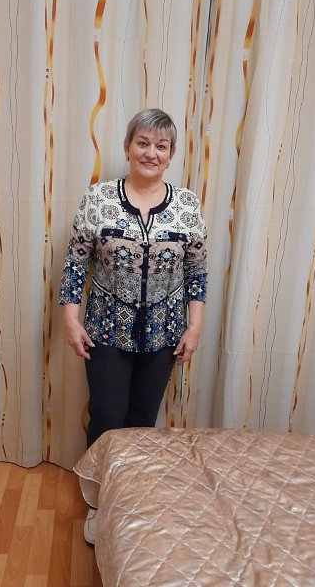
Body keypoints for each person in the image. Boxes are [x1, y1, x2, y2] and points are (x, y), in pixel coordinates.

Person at [58, 108, 207, 545]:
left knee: (142, 419)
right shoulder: (99, 198)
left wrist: (194, 327)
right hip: (105, 329)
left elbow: (197, 271)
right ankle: (98, 503)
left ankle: (130, 500)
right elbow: (75, 264)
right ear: (127, 147)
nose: (150, 153)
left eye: (161, 146)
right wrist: (70, 319)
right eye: (142, 143)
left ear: (171, 154)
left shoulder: (187, 205)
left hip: (164, 333)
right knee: (107, 416)